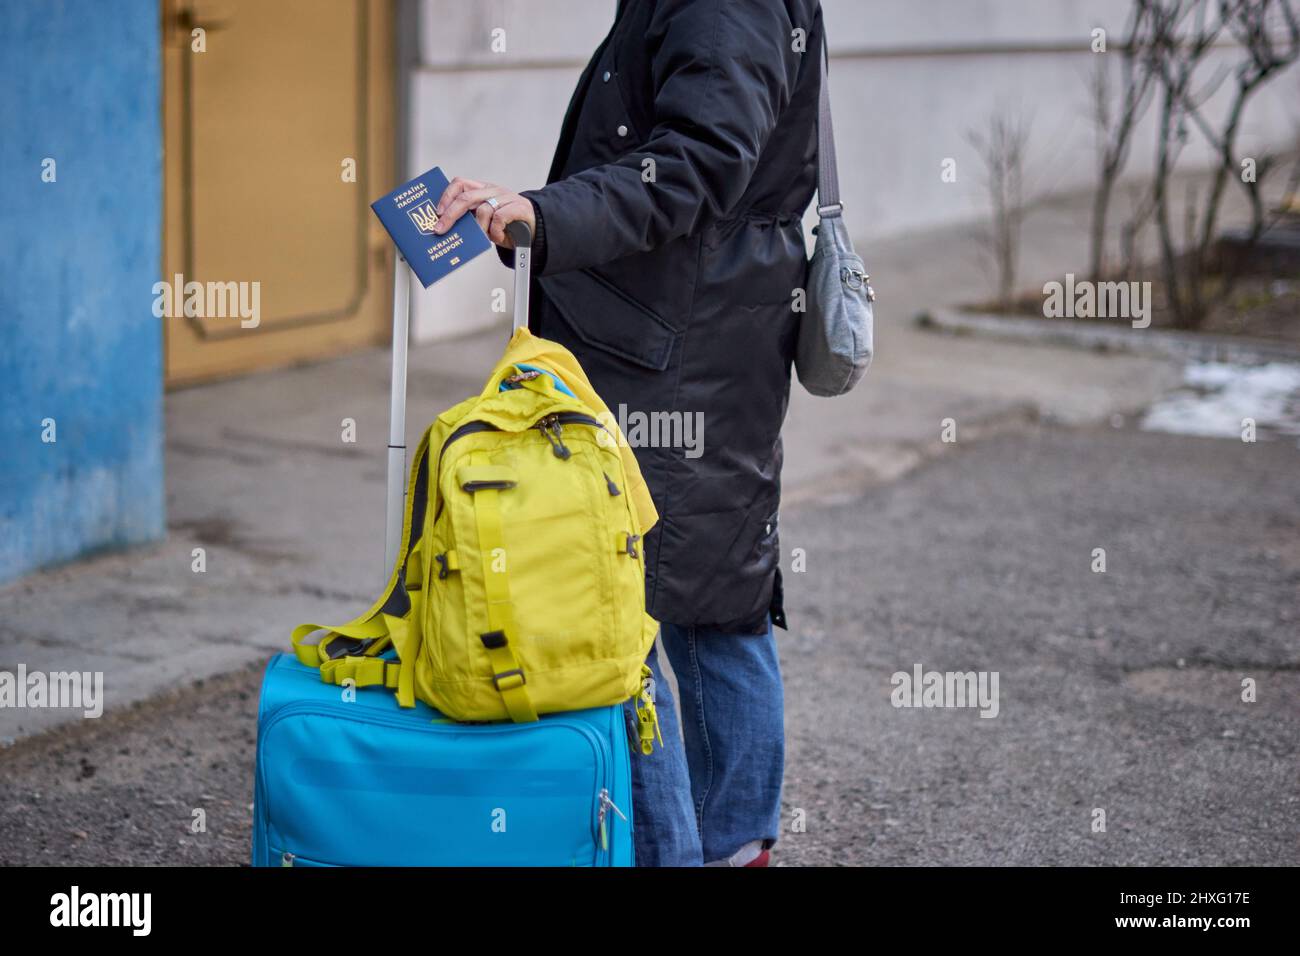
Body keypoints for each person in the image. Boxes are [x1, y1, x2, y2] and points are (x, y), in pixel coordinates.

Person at [434, 0, 824, 867]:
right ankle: (727, 848)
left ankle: (683, 853)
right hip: (694, 330)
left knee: (631, 609)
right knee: (706, 598)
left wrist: (543, 214)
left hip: (680, 345)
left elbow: (697, 163)